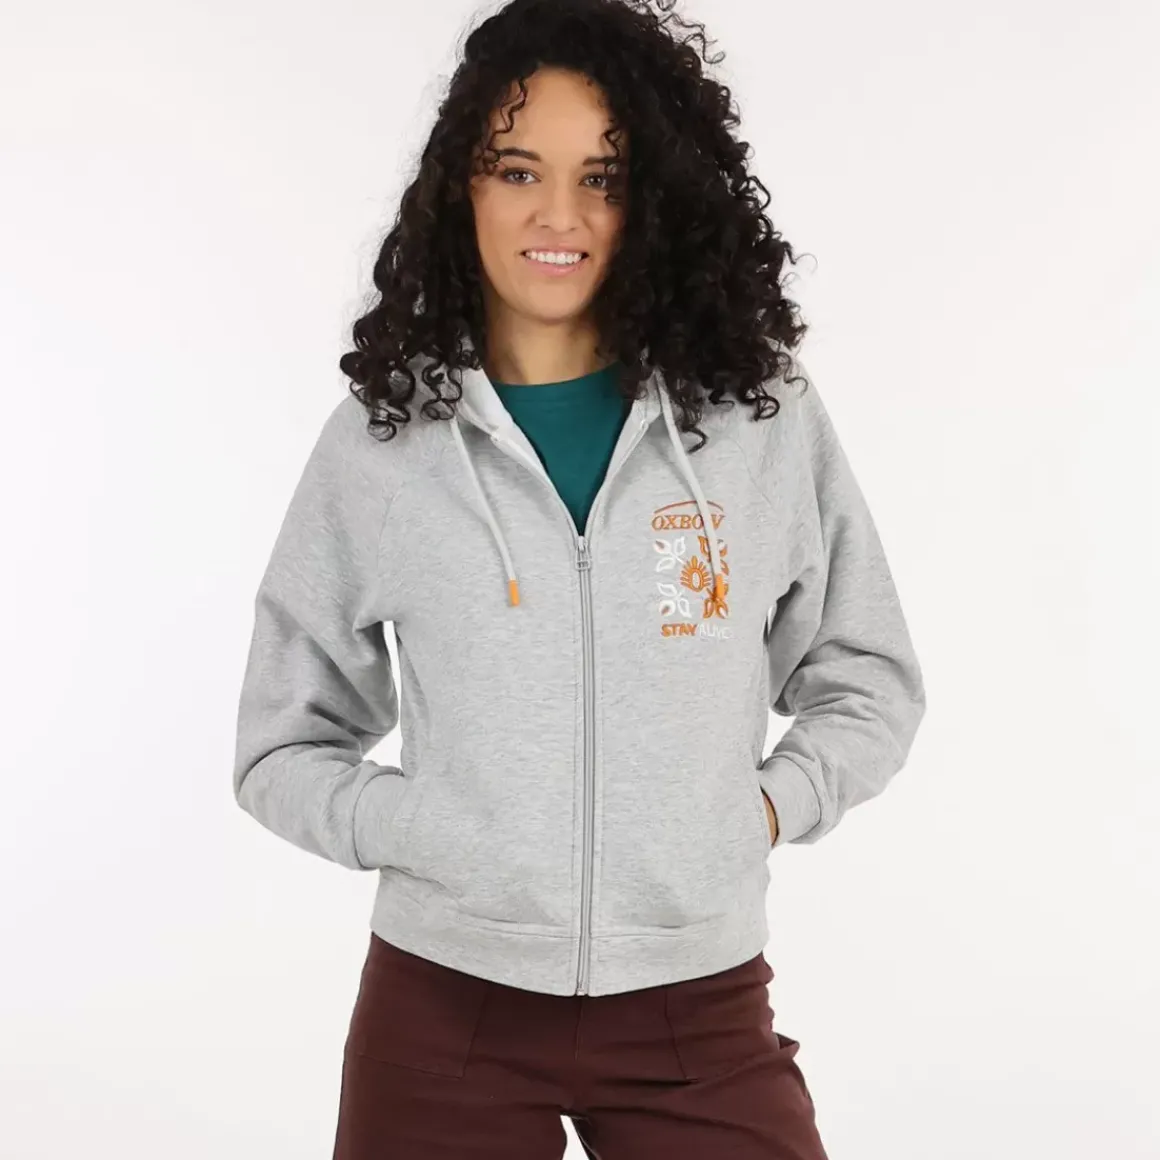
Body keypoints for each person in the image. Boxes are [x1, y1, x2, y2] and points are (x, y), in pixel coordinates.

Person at [231, 1, 926, 1155]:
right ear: (462, 188)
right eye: (517, 170)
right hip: (443, 1003)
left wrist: (762, 807)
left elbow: (866, 673)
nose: (556, 216)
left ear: (651, 201)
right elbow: (279, 742)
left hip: (695, 1003)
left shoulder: (752, 421)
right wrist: (422, 827)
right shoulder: (386, 441)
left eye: (601, 179)